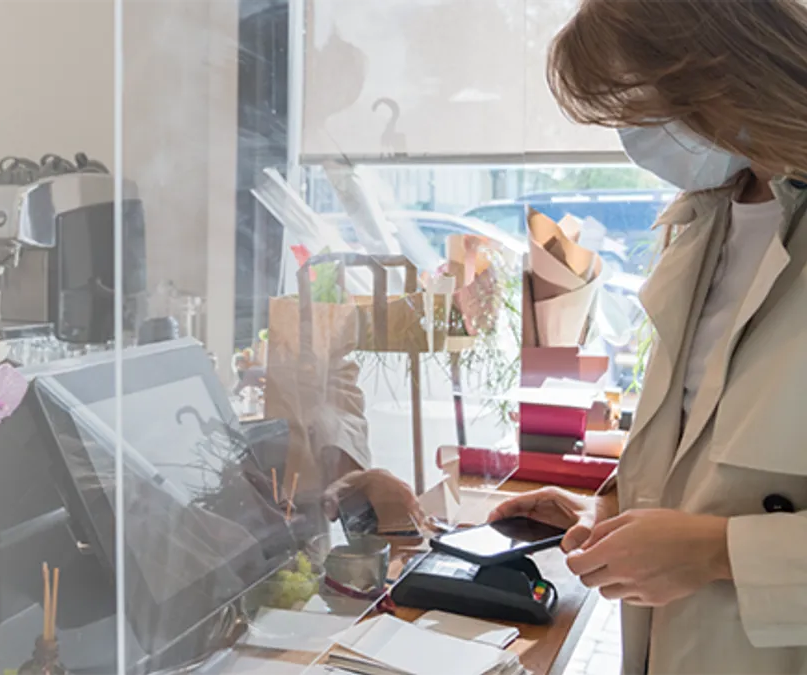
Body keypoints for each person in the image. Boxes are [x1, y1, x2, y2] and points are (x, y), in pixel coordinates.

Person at [325, 1, 807, 673]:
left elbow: (726, 521)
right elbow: (709, 444)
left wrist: (713, 552)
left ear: (722, 68)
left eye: (642, 102)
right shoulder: (708, 223)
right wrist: (610, 510)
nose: (637, 134)